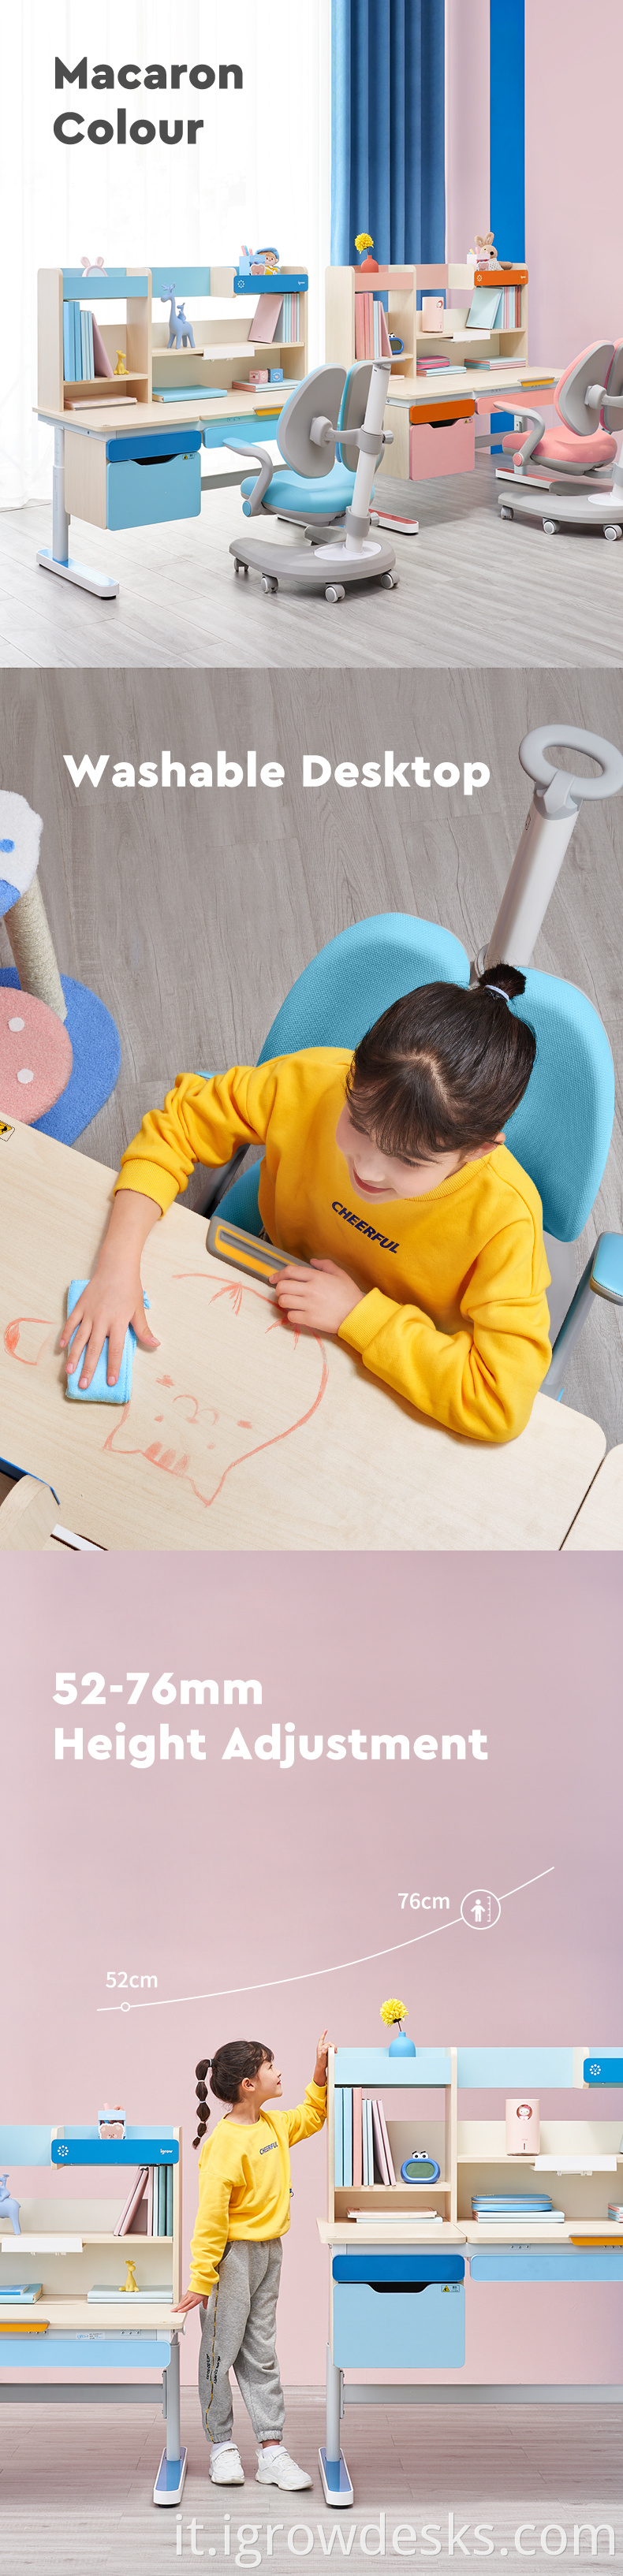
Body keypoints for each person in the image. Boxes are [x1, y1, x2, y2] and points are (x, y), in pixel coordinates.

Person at [59, 965, 551, 1444]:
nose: (369, 1171)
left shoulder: (506, 1219)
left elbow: (499, 1400)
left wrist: (358, 1315)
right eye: (357, 1124)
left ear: (482, 1149)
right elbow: (184, 1120)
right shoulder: (315, 1079)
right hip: (275, 1289)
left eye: (407, 1161)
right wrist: (116, 1266)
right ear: (352, 1073)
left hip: (387, 1364)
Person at [173, 2033, 328, 2489]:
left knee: (260, 2353)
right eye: (270, 2066)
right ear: (248, 2083)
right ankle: (222, 2445)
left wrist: (319, 2073)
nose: (279, 2072)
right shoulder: (224, 2144)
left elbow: (314, 2115)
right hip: (230, 2260)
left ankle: (270, 2449)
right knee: (220, 2354)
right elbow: (210, 2219)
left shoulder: (274, 2125)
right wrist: (203, 2279)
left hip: (268, 2253)